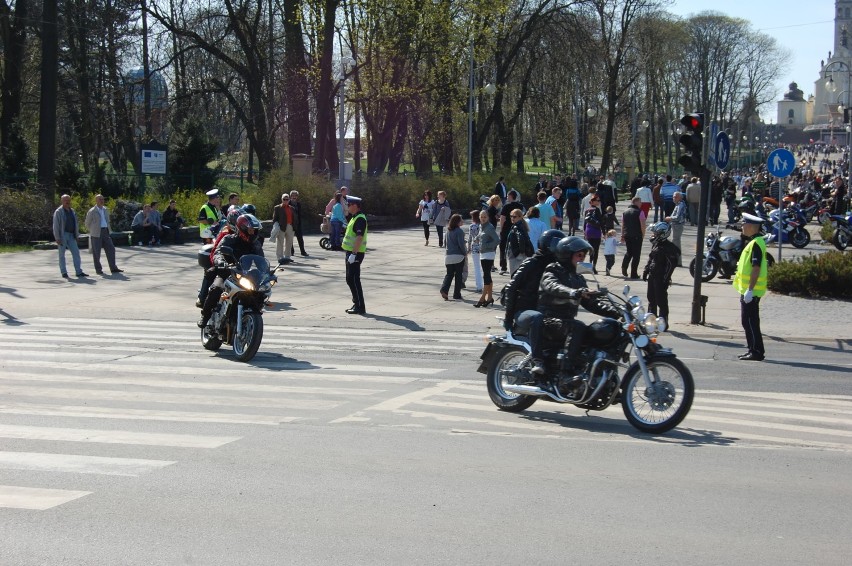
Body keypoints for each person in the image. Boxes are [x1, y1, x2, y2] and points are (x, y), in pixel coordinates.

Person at [538, 237, 621, 383]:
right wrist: (572, 292)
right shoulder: (553, 270)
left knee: (609, 329)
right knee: (578, 328)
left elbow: (591, 304)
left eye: (584, 256)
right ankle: (565, 373)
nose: (582, 259)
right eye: (579, 255)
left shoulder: (578, 278)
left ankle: (605, 378)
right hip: (548, 320)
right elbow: (551, 285)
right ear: (567, 255)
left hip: (565, 321)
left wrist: (616, 311)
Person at [501, 229, 566, 376]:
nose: (560, 249)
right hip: (524, 311)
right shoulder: (532, 263)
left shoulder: (558, 268)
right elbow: (511, 288)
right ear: (547, 245)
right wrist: (508, 317)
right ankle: (538, 360)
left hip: (545, 311)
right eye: (557, 245)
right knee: (537, 318)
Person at [198, 213, 264, 328]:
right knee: (216, 288)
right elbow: (218, 252)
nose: (253, 233)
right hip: (226, 272)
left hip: (244, 274)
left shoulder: (255, 244)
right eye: (250, 230)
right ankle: (205, 315)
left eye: (254, 230)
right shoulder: (229, 239)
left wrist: (266, 271)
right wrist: (221, 262)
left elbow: (261, 260)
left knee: (260, 292)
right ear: (243, 229)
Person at [733, 213, 768, 361]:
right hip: (749, 290)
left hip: (751, 291)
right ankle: (753, 349)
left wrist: (750, 289)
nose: (742, 226)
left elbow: (756, 268)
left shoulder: (755, 244)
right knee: (748, 321)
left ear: (752, 227)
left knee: (750, 321)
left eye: (744, 224)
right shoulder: (754, 242)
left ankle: (756, 351)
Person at [642, 222, 679, 322]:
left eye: (656, 233)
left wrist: (665, 279)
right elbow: (651, 258)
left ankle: (663, 322)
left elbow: (671, 265)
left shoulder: (669, 248)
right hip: (652, 275)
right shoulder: (656, 244)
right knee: (651, 298)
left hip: (660, 277)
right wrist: (646, 270)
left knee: (661, 300)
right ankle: (651, 320)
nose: (653, 235)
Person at [84, 194, 123, 275]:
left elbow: (107, 221)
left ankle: (113, 268)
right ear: (96, 201)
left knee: (111, 249)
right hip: (96, 233)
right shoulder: (92, 211)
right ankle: (98, 270)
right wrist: (93, 230)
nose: (102, 201)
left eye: (102, 199)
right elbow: (87, 223)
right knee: (96, 252)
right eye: (100, 199)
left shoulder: (105, 209)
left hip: (106, 231)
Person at [342, 196, 368, 314]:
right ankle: (356, 302)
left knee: (354, 279)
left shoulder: (360, 219)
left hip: (355, 253)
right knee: (349, 279)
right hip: (351, 252)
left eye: (349, 205)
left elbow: (359, 237)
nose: (347, 207)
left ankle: (360, 306)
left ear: (355, 205)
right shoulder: (354, 218)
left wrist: (353, 254)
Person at [52, 194, 87, 278]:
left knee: (76, 253)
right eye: (65, 200)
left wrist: (77, 234)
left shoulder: (72, 211)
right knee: (62, 255)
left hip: (72, 235)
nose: (67, 201)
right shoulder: (58, 212)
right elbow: (55, 225)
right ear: (62, 201)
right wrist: (57, 237)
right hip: (63, 235)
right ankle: (64, 272)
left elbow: (76, 223)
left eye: (68, 200)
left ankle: (78, 271)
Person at [439, 214, 467, 301]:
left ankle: (444, 289)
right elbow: (461, 244)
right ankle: (457, 294)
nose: (462, 221)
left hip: (448, 256)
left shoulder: (447, 231)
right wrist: (465, 253)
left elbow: (445, 243)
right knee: (458, 275)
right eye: (461, 220)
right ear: (457, 222)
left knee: (449, 274)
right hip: (458, 256)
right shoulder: (459, 231)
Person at [475, 210, 499, 307]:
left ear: (488, 217)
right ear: (479, 218)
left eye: (485, 217)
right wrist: (476, 239)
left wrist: (486, 246)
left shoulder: (490, 227)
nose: (483, 218)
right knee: (487, 275)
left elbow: (497, 240)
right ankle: (489, 298)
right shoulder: (481, 226)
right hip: (483, 253)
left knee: (486, 275)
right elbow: (481, 236)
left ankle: (482, 297)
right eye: (482, 217)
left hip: (489, 253)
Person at [498, 190, 524, 273]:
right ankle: (517, 265)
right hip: (517, 228)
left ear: (510, 196)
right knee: (516, 247)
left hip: (506, 229)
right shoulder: (520, 206)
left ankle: (503, 267)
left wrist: (501, 229)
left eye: (508, 196)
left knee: (503, 248)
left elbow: (502, 218)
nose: (506, 197)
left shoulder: (506, 206)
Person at [620, 196, 646, 279]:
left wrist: (622, 235)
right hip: (637, 235)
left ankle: (624, 266)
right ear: (636, 202)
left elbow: (623, 225)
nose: (641, 203)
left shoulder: (625, 212)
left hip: (627, 234)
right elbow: (643, 224)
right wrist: (643, 234)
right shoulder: (640, 212)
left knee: (629, 252)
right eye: (640, 202)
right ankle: (633, 273)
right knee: (636, 255)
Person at [506, 208, 533, 275]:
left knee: (515, 276)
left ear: (520, 217)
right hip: (514, 254)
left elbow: (522, 239)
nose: (512, 218)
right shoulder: (517, 226)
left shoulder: (518, 227)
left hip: (516, 255)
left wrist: (520, 253)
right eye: (511, 216)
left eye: (514, 216)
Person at [272, 193, 296, 264]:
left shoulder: (292, 208)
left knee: (289, 243)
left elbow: (295, 217)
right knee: (280, 243)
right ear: (282, 199)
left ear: (289, 200)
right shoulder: (277, 207)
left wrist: (295, 226)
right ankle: (280, 257)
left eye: (287, 199)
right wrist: (276, 226)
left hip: (290, 226)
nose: (285, 200)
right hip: (281, 227)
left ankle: (287, 257)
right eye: (284, 199)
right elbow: (274, 219)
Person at [583, 195, 603, 273]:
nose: (599, 202)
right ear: (593, 201)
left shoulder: (587, 210)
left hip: (588, 231)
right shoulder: (597, 210)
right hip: (596, 231)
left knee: (591, 249)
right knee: (596, 250)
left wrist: (584, 232)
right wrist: (604, 232)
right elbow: (601, 222)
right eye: (598, 200)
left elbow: (585, 222)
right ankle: (593, 267)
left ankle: (589, 265)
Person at [665, 191, 686, 266]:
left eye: (675, 197)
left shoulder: (680, 205)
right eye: (673, 197)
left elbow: (678, 217)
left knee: (676, 244)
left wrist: (669, 218)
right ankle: (675, 260)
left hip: (677, 226)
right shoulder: (678, 204)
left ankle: (677, 261)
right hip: (675, 225)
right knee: (674, 243)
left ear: (680, 198)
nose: (673, 198)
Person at [468, 210, 483, 293]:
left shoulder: (471, 226)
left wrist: (468, 248)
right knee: (483, 267)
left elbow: (469, 238)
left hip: (474, 247)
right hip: (483, 247)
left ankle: (479, 286)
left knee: (476, 267)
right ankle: (485, 284)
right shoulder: (482, 226)